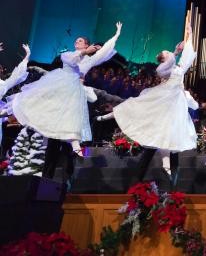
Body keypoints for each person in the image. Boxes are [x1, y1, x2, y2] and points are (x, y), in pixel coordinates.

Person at [11, 23, 122, 183]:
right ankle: (46, 178)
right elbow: (69, 60)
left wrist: (116, 34)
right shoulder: (69, 54)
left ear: (87, 44)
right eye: (76, 40)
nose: (77, 42)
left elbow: (104, 51)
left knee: (68, 143)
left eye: (80, 41)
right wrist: (85, 51)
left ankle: (68, 176)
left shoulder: (88, 60)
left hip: (73, 101)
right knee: (54, 144)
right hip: (60, 96)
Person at [97, 14, 197, 186]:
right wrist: (176, 50)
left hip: (174, 110)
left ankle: (172, 185)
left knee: (173, 147)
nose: (169, 52)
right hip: (162, 105)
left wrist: (190, 34)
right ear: (164, 58)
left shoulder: (178, 68)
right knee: (151, 146)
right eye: (166, 53)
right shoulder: (162, 69)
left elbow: (188, 56)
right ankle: (137, 182)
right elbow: (172, 60)